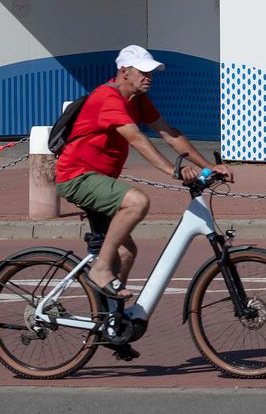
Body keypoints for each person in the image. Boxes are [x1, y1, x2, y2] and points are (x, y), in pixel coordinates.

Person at [54, 44, 232, 300]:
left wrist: (208, 167)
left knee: (126, 253)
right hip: (77, 176)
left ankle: (110, 320)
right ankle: (101, 270)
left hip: (101, 180)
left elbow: (169, 133)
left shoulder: (137, 100)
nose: (149, 77)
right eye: (143, 72)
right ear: (124, 71)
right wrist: (174, 171)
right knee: (137, 202)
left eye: (151, 73)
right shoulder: (108, 98)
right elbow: (137, 139)